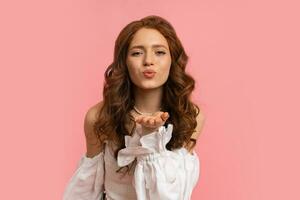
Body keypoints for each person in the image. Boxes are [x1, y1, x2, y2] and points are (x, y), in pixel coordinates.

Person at [63, 15, 205, 200]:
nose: (148, 61)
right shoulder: (99, 117)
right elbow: (85, 192)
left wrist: (150, 139)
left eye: (159, 52)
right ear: (124, 62)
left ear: (172, 60)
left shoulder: (191, 117)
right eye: (137, 53)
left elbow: (173, 194)